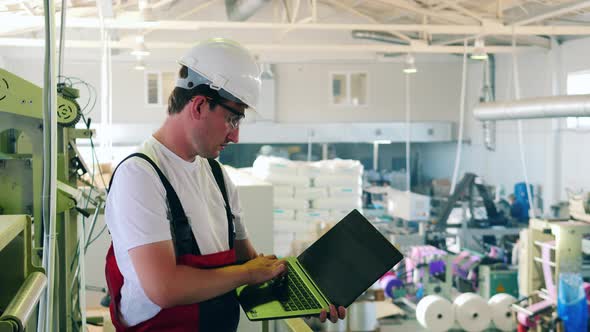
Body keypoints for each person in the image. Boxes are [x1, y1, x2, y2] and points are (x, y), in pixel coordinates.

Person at [104, 38, 346, 331]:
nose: (235, 137)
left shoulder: (217, 176)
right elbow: (164, 288)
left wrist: (308, 291)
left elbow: (250, 264)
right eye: (232, 119)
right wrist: (246, 273)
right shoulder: (140, 175)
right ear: (199, 105)